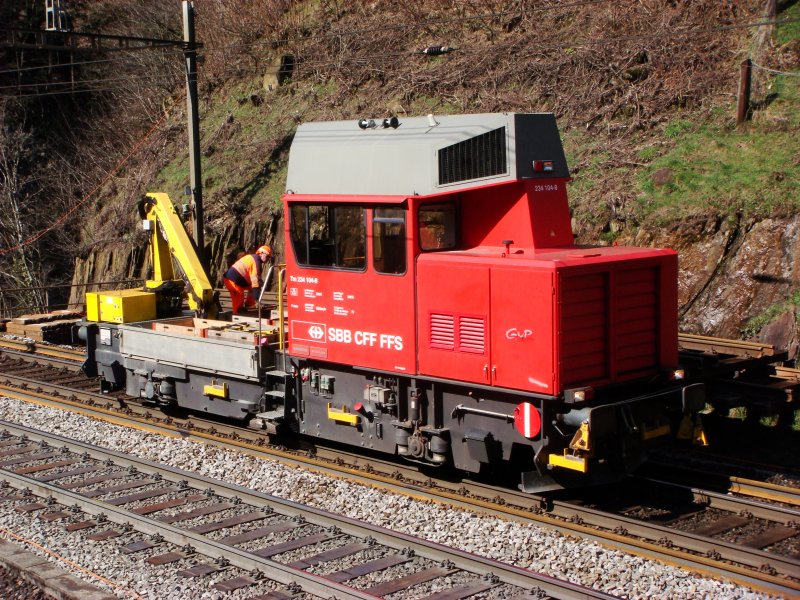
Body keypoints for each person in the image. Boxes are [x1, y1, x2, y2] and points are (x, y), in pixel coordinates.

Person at [223, 245, 273, 314]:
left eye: (269, 257)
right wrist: (257, 300)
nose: (268, 259)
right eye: (267, 256)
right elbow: (255, 281)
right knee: (239, 298)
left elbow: (254, 281)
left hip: (238, 280)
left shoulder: (254, 259)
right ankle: (237, 315)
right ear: (261, 253)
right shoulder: (256, 262)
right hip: (232, 280)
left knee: (252, 289)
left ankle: (249, 305)